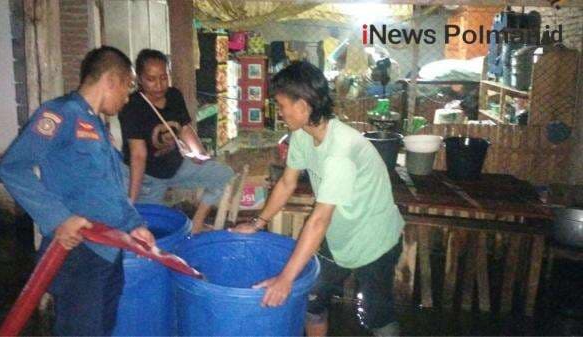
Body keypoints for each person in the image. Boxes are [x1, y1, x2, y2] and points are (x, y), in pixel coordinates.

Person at [233, 61, 405, 337]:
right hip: (339, 235)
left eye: (281, 105)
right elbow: (288, 182)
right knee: (311, 303)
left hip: (375, 240)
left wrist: (285, 279)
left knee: (377, 317)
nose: (279, 112)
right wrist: (257, 222)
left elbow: (319, 218)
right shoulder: (302, 134)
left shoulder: (339, 151)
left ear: (303, 105)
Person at [0, 46, 156, 336]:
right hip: (80, 253)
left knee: (102, 329)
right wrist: (59, 219)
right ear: (110, 81)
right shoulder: (60, 114)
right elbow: (13, 167)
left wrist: (136, 225)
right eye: (128, 86)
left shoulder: (97, 125)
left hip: (109, 251)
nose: (127, 96)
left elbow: (109, 188)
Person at [119, 49, 233, 233]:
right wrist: (131, 200)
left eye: (164, 77)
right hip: (147, 177)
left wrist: (200, 155)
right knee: (149, 229)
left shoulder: (174, 96)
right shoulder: (132, 106)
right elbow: (138, 156)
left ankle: (196, 223)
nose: (159, 85)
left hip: (175, 168)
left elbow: (185, 129)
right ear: (139, 79)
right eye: (151, 79)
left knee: (222, 174)